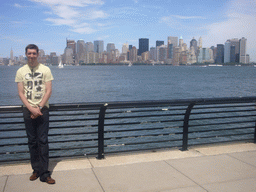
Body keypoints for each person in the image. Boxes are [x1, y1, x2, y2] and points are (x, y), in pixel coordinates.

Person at [15, 44, 55, 184]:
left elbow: (48, 91)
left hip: (42, 109)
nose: (31, 56)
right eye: (29, 53)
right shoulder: (20, 71)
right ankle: (36, 170)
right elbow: (21, 93)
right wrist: (31, 109)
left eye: (34, 53)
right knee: (32, 142)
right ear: (26, 54)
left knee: (43, 141)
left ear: (38, 54)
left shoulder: (45, 69)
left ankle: (45, 173)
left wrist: (38, 108)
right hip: (28, 110)